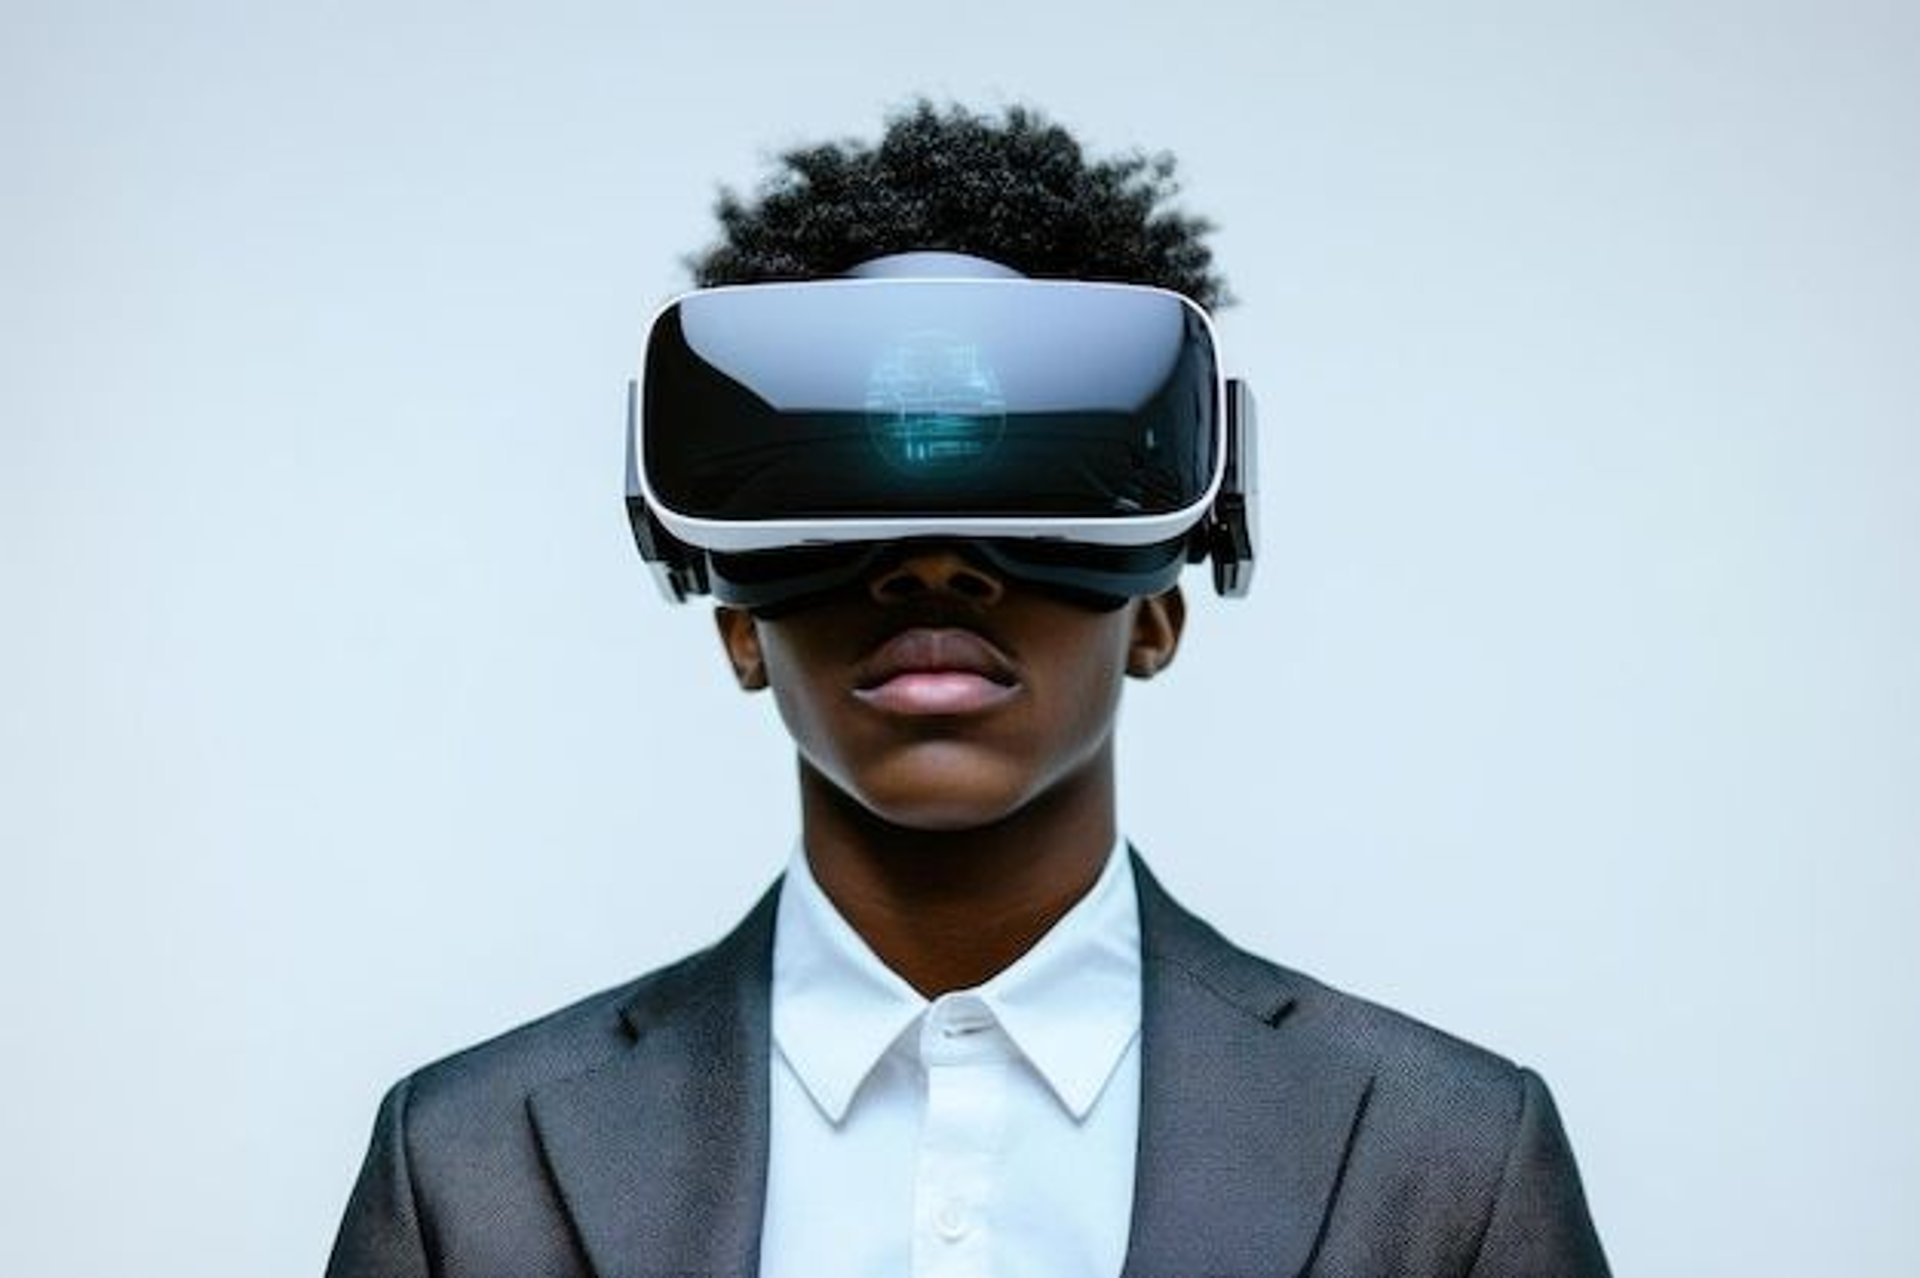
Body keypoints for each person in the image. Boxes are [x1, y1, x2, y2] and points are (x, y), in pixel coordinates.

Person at [326, 102, 1610, 1277]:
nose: (935, 566)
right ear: (738, 630)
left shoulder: (1445, 1162)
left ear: (1160, 608)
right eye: (841, 516)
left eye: (1034, 507)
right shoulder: (467, 1167)